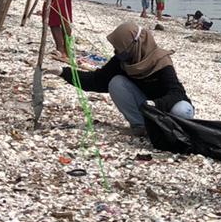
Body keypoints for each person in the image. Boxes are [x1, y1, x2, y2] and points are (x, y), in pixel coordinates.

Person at [63, 21, 193, 136]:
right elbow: (96, 81)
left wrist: (156, 104)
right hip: (145, 107)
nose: (116, 52)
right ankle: (140, 126)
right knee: (116, 82)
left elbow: (177, 93)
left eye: (119, 48)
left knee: (182, 110)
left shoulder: (160, 61)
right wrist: (63, 72)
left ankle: (173, 132)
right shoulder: (121, 61)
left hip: (166, 106)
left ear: (133, 45)